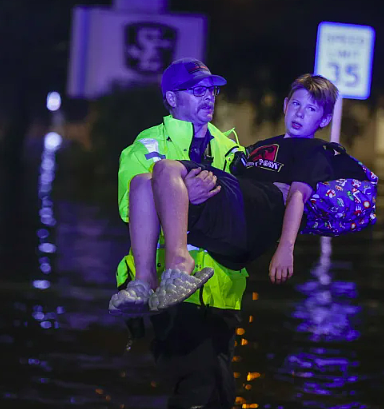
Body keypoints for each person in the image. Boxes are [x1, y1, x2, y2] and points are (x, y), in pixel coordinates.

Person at [110, 73, 369, 316]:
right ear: (285, 104)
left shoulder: (314, 151)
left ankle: (179, 266)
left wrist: (285, 249)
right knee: (143, 181)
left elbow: (297, 197)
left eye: (311, 109)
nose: (300, 113)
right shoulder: (259, 147)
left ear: (324, 120)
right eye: (297, 105)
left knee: (165, 168)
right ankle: (143, 283)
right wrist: (188, 193)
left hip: (252, 220)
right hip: (232, 213)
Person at [115, 58, 247, 409]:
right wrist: (187, 195)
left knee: (217, 391)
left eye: (212, 90)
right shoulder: (148, 145)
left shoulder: (231, 150)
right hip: (169, 290)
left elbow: (242, 212)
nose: (209, 97)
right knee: (198, 388)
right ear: (172, 99)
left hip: (220, 292)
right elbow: (131, 207)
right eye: (198, 90)